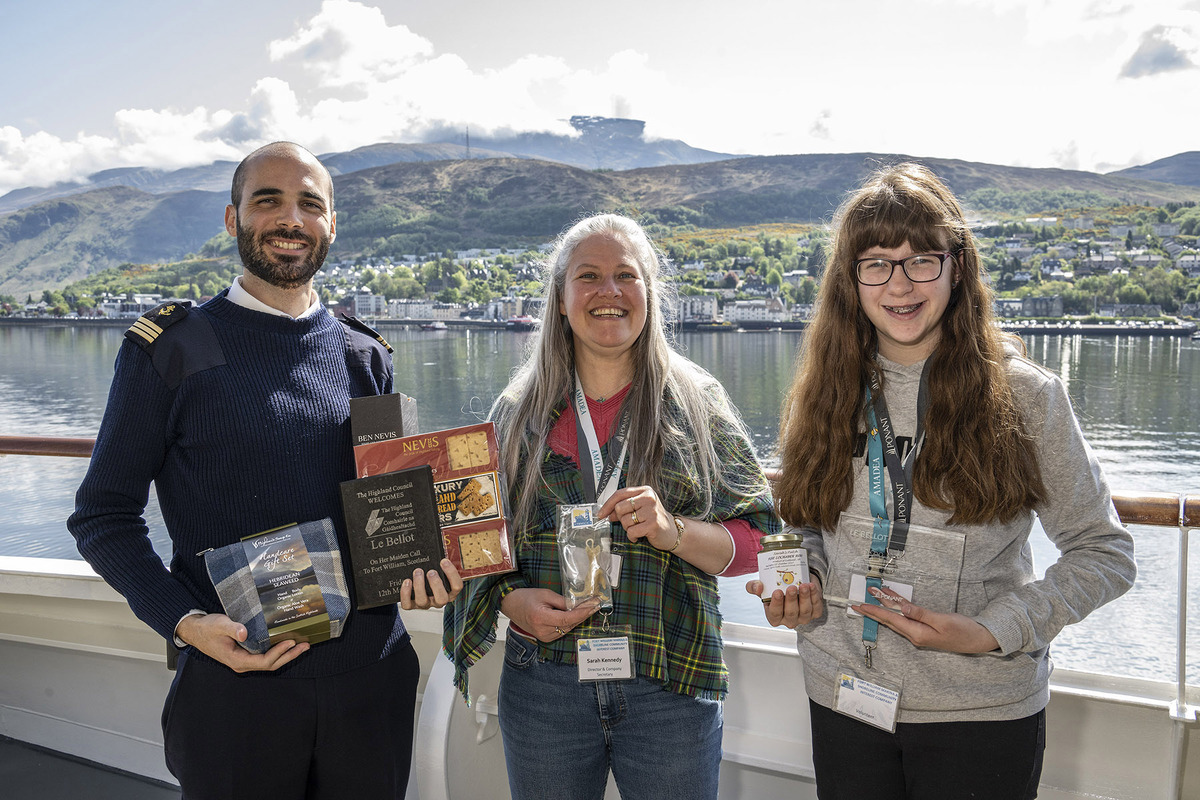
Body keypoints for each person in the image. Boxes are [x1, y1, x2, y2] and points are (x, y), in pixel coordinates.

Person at [68, 141, 461, 800]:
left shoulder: (366, 357)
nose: (290, 219)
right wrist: (183, 621)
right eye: (267, 200)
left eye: (311, 204)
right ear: (232, 219)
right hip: (236, 685)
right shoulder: (172, 348)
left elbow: (387, 519)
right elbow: (102, 517)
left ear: (331, 225)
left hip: (371, 683)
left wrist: (426, 570)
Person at [748, 163, 1136, 799]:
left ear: (958, 268)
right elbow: (805, 522)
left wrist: (994, 629)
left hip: (980, 709)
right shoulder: (825, 391)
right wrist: (804, 579)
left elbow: (1105, 552)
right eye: (876, 262)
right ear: (851, 281)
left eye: (921, 259)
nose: (899, 283)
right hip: (843, 694)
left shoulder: (1027, 397)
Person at [445, 213, 780, 799]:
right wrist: (509, 599)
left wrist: (674, 530)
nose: (609, 291)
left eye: (626, 274)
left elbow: (756, 541)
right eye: (589, 275)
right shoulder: (514, 411)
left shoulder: (698, 402)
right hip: (544, 684)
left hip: (669, 681)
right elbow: (477, 544)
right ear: (561, 298)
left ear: (649, 293)